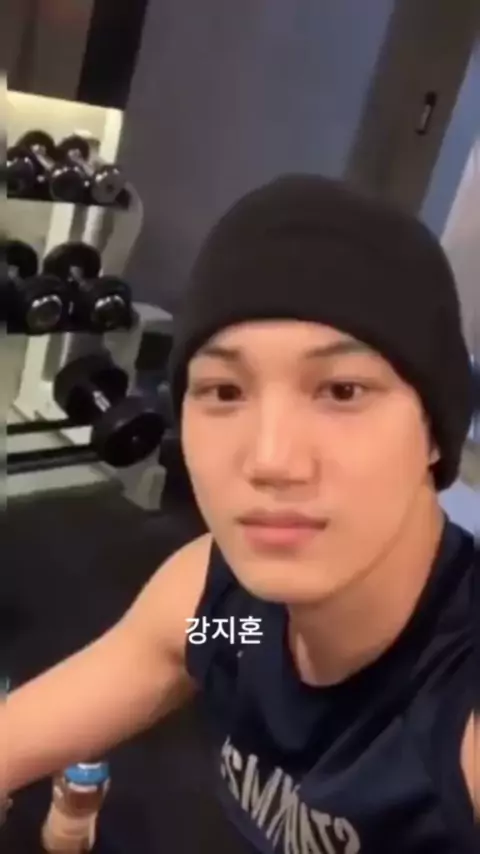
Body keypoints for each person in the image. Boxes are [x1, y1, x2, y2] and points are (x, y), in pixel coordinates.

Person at [4, 175, 479, 853]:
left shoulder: (460, 719)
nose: (271, 459)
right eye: (225, 391)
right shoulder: (231, 618)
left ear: (434, 432)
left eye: (343, 390)